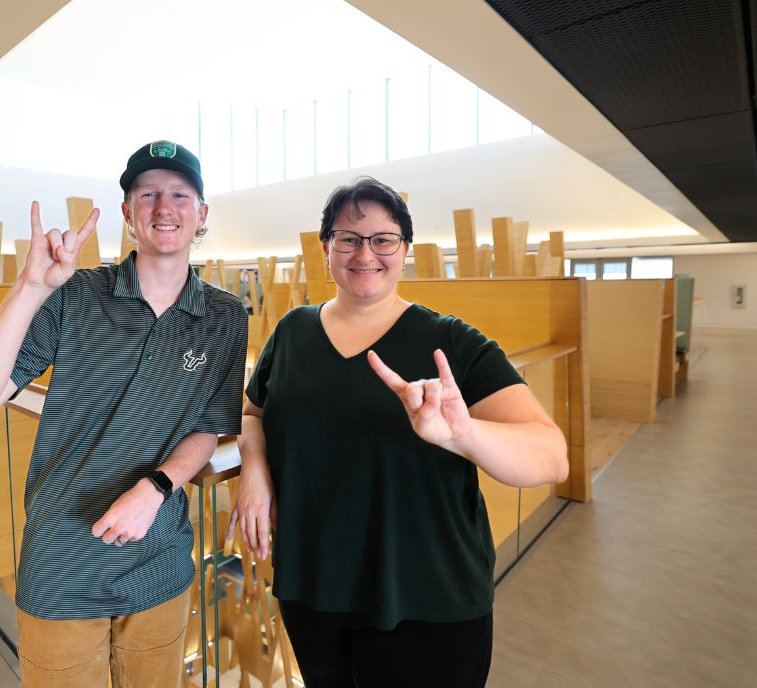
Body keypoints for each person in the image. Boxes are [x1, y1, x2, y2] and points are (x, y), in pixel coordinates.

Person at [230, 176, 568, 687]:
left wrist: (463, 434)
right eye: (347, 238)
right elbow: (253, 414)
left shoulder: (451, 341)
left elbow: (551, 457)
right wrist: (254, 469)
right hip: (313, 586)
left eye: (383, 239)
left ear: (404, 250)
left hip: (427, 600)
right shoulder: (292, 332)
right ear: (327, 250)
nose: (365, 253)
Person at [0, 140, 248, 687]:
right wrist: (30, 287)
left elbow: (208, 427)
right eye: (147, 194)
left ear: (201, 214)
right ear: (129, 213)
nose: (164, 207)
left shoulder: (225, 316)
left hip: (161, 558)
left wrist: (155, 487)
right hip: (61, 560)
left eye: (180, 194)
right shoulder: (77, 294)